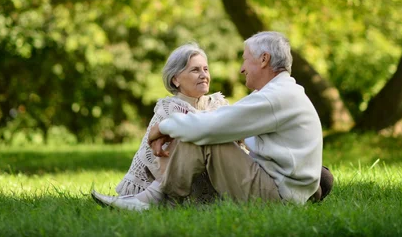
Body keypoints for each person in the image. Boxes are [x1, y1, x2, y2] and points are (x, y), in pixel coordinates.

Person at [92, 31, 333, 211]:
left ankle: (157, 200)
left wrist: (162, 128)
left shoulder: (276, 97)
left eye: (245, 59)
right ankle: (155, 198)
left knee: (204, 136)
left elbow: (212, 125)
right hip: (281, 188)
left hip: (278, 196)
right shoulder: (279, 93)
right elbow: (220, 121)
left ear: (263, 60)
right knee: (202, 132)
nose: (241, 69)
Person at [92, 43, 228, 207]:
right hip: (175, 186)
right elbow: (157, 160)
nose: (203, 75)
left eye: (205, 69)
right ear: (175, 79)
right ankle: (144, 200)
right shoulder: (169, 108)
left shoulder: (218, 104)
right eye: (195, 70)